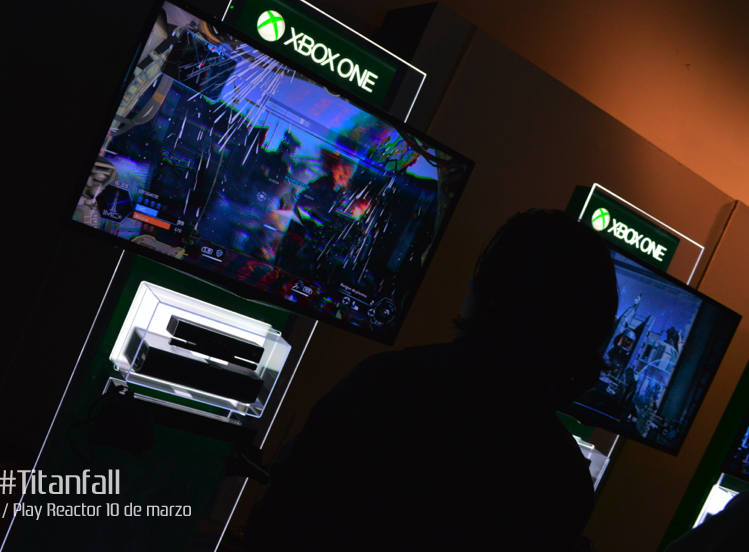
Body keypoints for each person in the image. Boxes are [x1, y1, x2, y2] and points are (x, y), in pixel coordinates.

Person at [244, 209, 619, 552]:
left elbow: (279, 521)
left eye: (483, 273)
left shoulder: (390, 387)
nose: (469, 282)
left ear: (496, 295)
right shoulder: (565, 479)